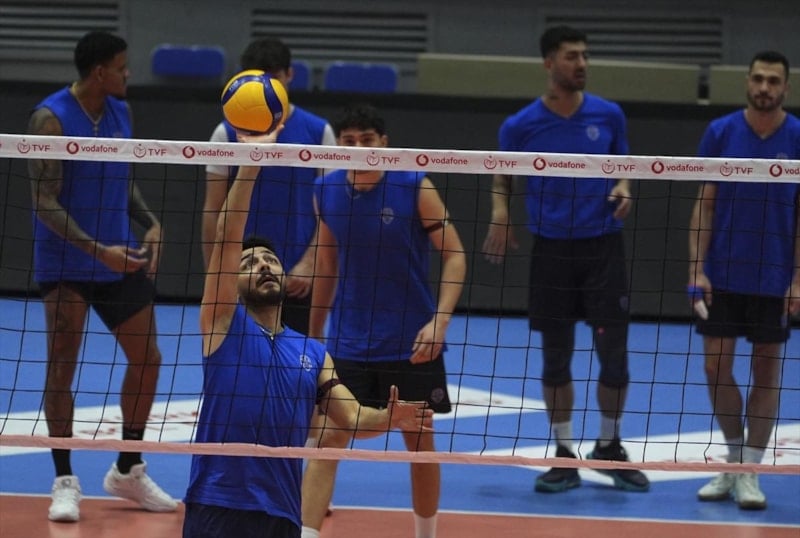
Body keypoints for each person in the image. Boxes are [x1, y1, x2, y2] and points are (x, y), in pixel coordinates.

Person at [183, 126, 433, 538]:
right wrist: (251, 162)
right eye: (249, 264)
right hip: (219, 503)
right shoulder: (222, 324)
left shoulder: (314, 354)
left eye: (270, 260)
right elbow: (227, 236)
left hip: (283, 511)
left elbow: (350, 418)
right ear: (234, 282)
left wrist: (389, 418)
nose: (263, 265)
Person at [481, 25, 649, 494]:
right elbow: (501, 179)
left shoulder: (608, 115)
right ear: (549, 63)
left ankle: (609, 446)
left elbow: (624, 167)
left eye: (585, 56)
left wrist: (623, 187)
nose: (581, 64)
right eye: (572, 56)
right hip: (551, 251)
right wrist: (500, 214)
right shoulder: (521, 125)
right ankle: (563, 452)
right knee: (555, 359)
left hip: (603, 249)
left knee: (614, 357)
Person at [27, 31, 177, 522]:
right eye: (121, 66)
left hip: (120, 257)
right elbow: (43, 201)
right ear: (99, 72)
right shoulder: (50, 119)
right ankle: (64, 480)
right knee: (62, 365)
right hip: (67, 263)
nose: (127, 73)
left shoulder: (120, 113)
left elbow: (121, 179)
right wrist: (97, 251)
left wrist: (149, 221)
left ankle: (128, 468)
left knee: (148, 359)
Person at [300, 103, 467, 538]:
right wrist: (314, 336)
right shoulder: (325, 190)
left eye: (367, 140)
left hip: (412, 345)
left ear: (384, 143)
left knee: (420, 447)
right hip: (348, 342)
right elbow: (327, 265)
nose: (359, 148)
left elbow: (455, 255)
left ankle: (426, 535)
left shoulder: (414, 185)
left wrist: (440, 322)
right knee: (328, 439)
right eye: (350, 141)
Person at [688, 50, 800, 511]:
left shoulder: (797, 136)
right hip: (722, 274)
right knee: (715, 368)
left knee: (767, 371)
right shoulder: (721, 132)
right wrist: (696, 269)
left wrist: (798, 278)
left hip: (774, 277)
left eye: (773, 81)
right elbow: (705, 204)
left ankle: (750, 470)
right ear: (748, 82)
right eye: (758, 79)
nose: (764, 87)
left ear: (785, 87)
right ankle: (733, 459)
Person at [202, 36, 336, 334]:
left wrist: (311, 262)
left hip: (299, 277)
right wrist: (218, 276)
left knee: (303, 358)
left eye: (274, 78)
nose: (265, 89)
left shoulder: (318, 131)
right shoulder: (225, 134)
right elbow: (213, 209)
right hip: (244, 276)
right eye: (257, 80)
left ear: (290, 75)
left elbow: (332, 211)